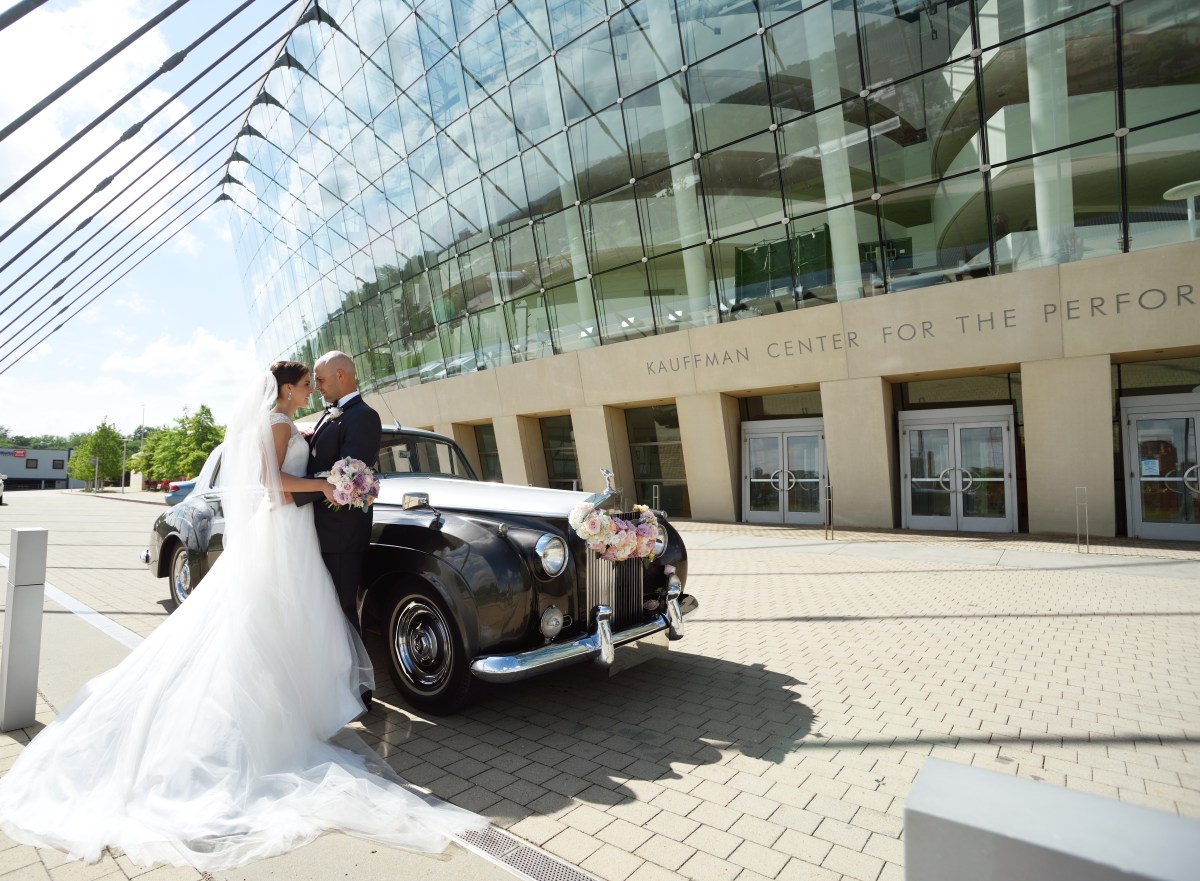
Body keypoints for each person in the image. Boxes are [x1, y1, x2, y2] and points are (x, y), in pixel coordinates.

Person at [0, 362, 483, 870]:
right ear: (287, 388)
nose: (312, 389)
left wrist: (327, 481)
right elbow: (273, 484)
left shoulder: (295, 423)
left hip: (297, 530)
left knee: (295, 618)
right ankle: (279, 712)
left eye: (317, 382)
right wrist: (326, 486)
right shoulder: (278, 424)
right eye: (307, 384)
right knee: (272, 618)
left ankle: (305, 701)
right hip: (285, 526)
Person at [293, 351, 383, 713]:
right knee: (326, 611)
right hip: (319, 532)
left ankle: (359, 694)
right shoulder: (330, 415)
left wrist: (294, 490)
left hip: (342, 535)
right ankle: (334, 689)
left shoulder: (364, 416)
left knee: (344, 611)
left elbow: (347, 475)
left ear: (341, 375)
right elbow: (324, 461)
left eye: (321, 379)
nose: (316, 386)